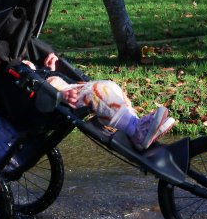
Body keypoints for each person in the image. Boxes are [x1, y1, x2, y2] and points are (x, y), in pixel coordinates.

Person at [31, 53, 176, 151]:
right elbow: (35, 85)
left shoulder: (38, 71)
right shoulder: (23, 72)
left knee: (111, 87)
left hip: (61, 85)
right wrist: (59, 93)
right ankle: (136, 131)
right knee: (99, 91)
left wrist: (47, 69)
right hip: (56, 94)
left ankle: (137, 125)